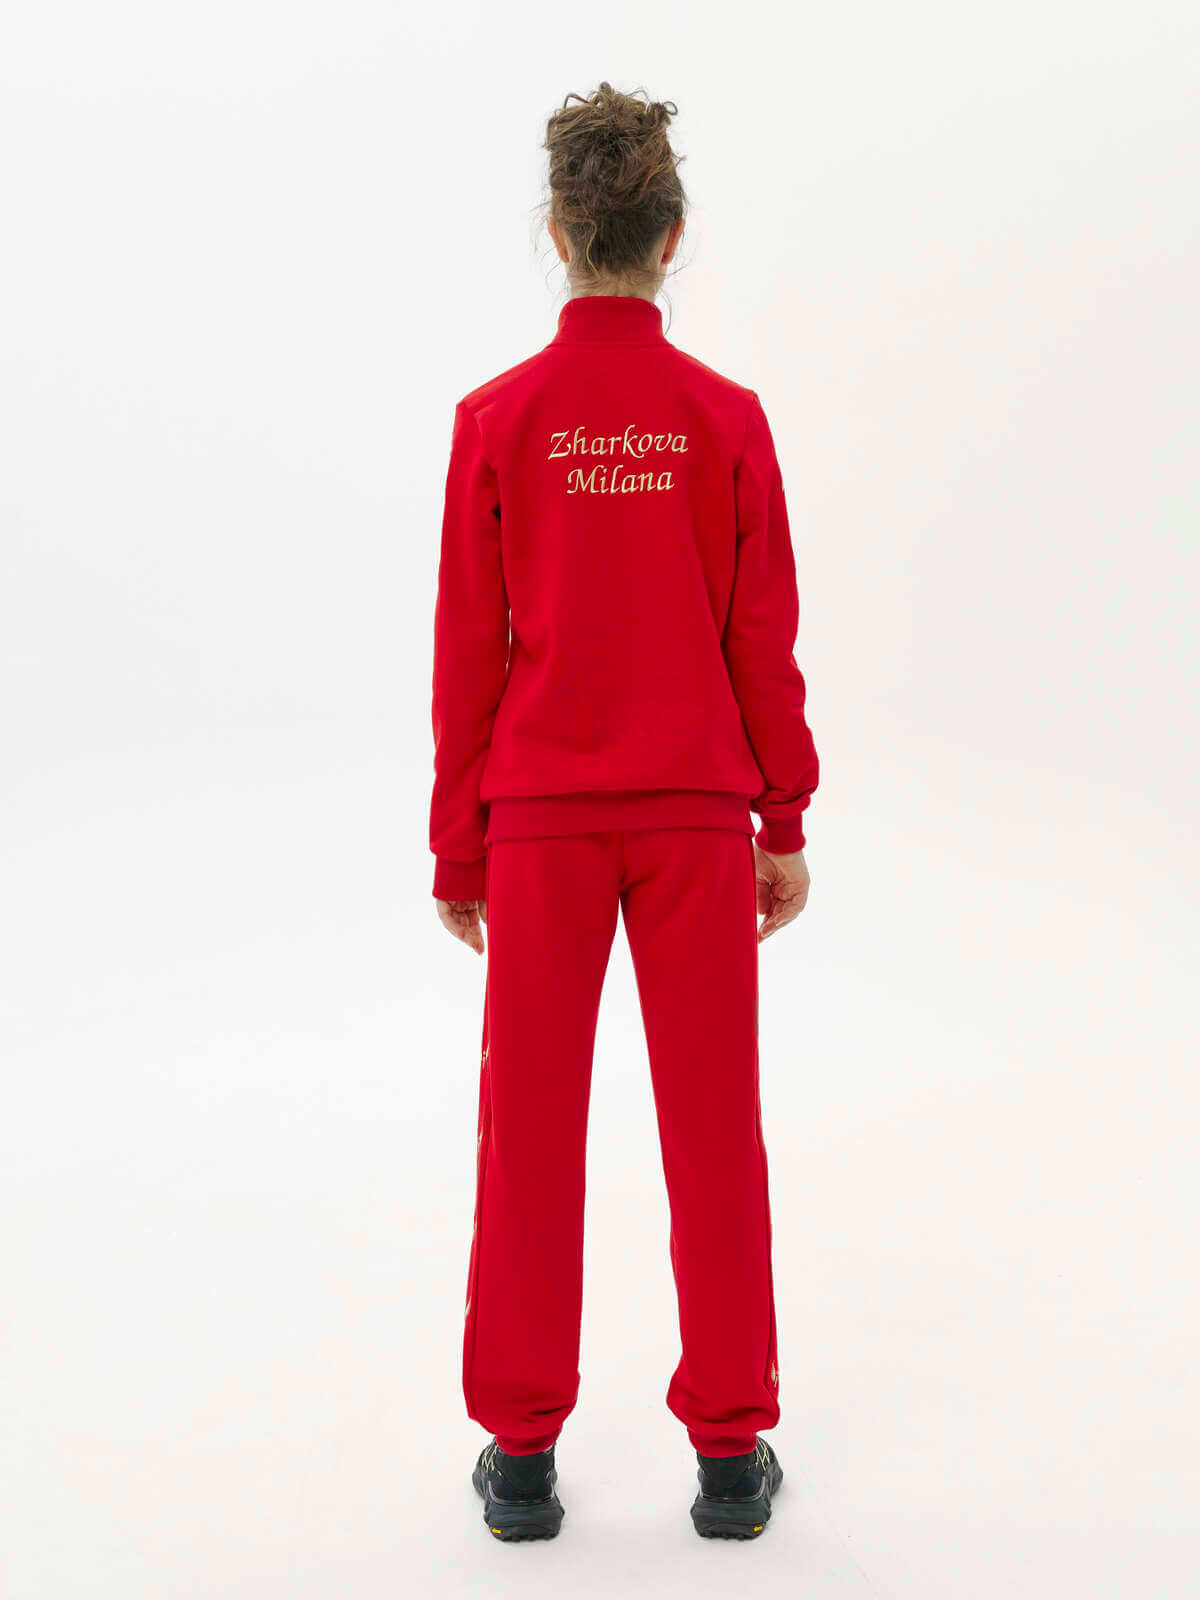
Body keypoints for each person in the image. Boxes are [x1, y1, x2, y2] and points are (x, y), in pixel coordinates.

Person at [429, 81, 818, 1542]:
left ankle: (522, 1456)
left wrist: (458, 843)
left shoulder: (498, 422)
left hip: (539, 821)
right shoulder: (723, 420)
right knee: (715, 1128)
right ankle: (730, 1454)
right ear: (670, 236)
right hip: (695, 820)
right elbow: (761, 640)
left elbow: (468, 651)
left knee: (528, 1129)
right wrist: (782, 819)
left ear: (558, 231)